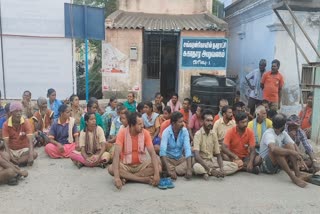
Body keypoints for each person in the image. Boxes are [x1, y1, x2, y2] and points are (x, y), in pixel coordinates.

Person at [108, 112, 161, 189]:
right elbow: (116, 155)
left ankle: (127, 178)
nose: (142, 126)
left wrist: (157, 174)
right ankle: (141, 179)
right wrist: (116, 178)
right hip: (125, 165)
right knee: (111, 168)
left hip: (141, 164)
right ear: (132, 125)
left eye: (142, 123)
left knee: (158, 167)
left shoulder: (145, 133)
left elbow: (152, 153)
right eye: (139, 124)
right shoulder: (122, 133)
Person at [259, 113, 307, 188]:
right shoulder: (269, 133)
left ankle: (297, 173)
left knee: (289, 145)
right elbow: (273, 149)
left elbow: (293, 144)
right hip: (266, 166)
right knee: (276, 151)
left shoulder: (283, 133)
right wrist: (292, 152)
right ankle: (293, 178)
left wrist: (299, 156)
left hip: (277, 166)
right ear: (283, 126)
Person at [193, 110, 238, 180]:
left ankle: (208, 172)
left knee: (234, 166)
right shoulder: (198, 134)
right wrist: (210, 169)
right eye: (207, 121)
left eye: (211, 121)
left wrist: (222, 168)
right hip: (202, 161)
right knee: (196, 167)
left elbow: (218, 154)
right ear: (202, 122)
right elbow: (197, 156)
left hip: (212, 161)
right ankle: (210, 171)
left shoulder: (213, 134)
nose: (210, 123)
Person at [2, 102, 37, 166]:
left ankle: (15, 163)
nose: (19, 113)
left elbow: (30, 140)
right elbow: (6, 144)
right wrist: (10, 156)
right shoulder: (6, 124)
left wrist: (31, 155)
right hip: (11, 150)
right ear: (11, 113)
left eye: (20, 111)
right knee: (4, 155)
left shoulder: (26, 122)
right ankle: (18, 162)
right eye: (16, 111)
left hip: (23, 150)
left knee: (34, 154)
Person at [160, 112, 192, 180]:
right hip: (169, 159)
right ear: (173, 123)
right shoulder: (166, 132)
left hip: (180, 159)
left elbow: (187, 149)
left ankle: (172, 171)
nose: (183, 124)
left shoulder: (184, 131)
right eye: (180, 122)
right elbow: (162, 152)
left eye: (183, 121)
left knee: (193, 159)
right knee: (159, 161)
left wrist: (189, 169)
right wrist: (169, 169)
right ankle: (172, 171)